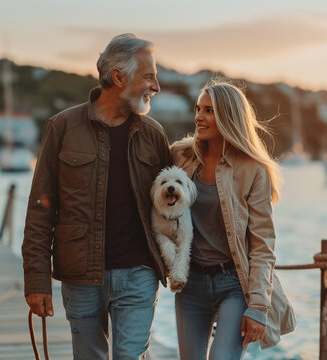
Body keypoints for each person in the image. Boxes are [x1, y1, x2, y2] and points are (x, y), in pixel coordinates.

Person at [22, 33, 171, 360]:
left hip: (139, 272)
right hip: (80, 275)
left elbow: (176, 203)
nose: (156, 86)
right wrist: (36, 280)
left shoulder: (154, 134)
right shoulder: (62, 127)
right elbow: (39, 210)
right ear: (119, 77)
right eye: (149, 76)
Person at [170, 80, 296, 359]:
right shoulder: (182, 156)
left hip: (234, 285)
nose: (199, 117)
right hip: (191, 284)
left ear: (228, 117)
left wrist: (259, 307)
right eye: (198, 109)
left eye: (209, 111)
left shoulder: (254, 170)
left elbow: (263, 245)